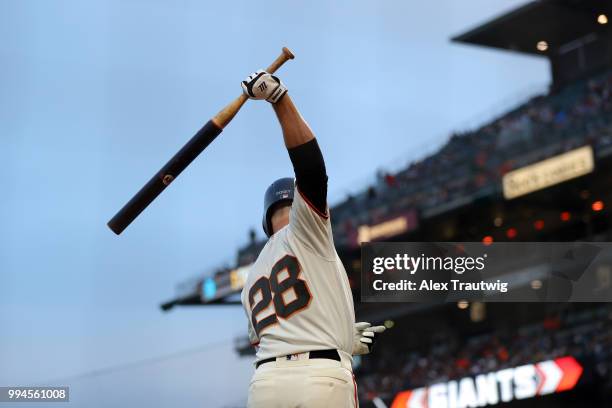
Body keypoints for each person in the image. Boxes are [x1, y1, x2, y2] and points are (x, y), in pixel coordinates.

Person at [239, 70, 385, 408]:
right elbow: (312, 171)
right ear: (297, 203)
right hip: (320, 379)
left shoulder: (251, 279)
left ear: (265, 218)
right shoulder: (305, 228)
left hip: (264, 386)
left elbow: (276, 339)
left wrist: (343, 337)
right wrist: (279, 99)